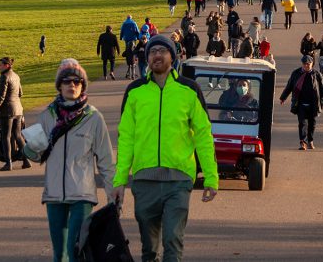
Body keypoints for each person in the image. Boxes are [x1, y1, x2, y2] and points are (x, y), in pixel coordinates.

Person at [113, 35, 219, 262]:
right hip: (144, 180)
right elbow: (126, 138)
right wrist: (120, 181)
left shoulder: (189, 90)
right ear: (147, 57)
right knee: (149, 249)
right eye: (152, 51)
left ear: (173, 56)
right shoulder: (135, 91)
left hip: (178, 180)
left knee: (172, 240)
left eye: (162, 50)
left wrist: (211, 177)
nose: (157, 55)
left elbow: (203, 135)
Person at [38, 59, 115, 262]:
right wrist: (29, 148)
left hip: (82, 194)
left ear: (82, 86)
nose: (72, 85)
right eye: (66, 81)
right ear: (59, 86)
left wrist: (113, 193)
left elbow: (106, 159)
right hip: (54, 194)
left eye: (76, 81)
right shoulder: (47, 115)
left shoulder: (93, 117)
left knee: (75, 252)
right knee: (59, 255)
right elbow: (36, 154)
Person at [279, 55, 323, 150]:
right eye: (305, 64)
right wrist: (283, 98)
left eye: (308, 64)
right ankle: (303, 142)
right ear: (302, 64)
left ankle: (310, 141)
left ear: (312, 64)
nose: (307, 66)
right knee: (302, 123)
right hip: (300, 103)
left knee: (312, 123)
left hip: (313, 103)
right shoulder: (296, 73)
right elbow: (289, 86)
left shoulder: (316, 74)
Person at [0, 56, 29, 171]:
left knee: (5, 136)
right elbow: (21, 93)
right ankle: (26, 160)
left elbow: (1, 97)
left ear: (7, 65)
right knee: (17, 135)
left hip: (7, 111)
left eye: (0, 65)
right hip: (18, 109)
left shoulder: (4, 77)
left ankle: (8, 163)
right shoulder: (16, 76)